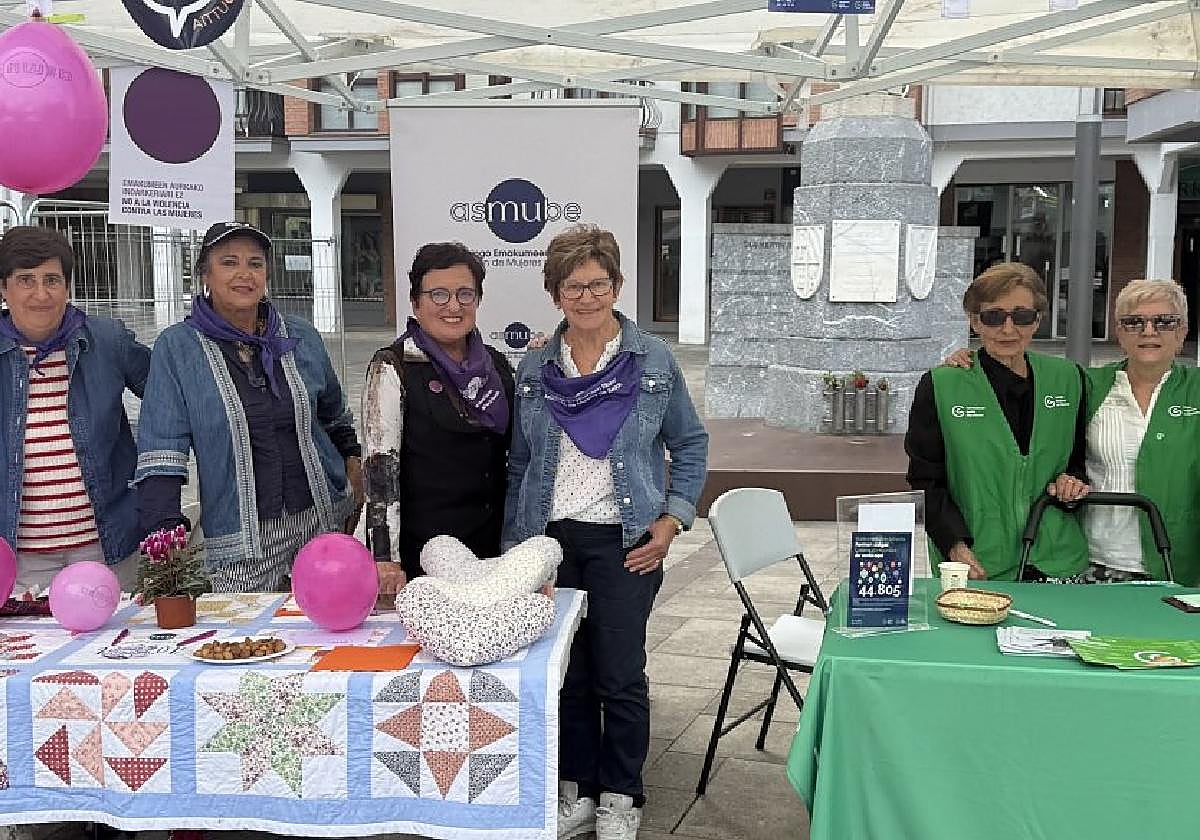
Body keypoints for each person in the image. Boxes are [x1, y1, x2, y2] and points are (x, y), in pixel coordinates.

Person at [503, 224, 708, 840]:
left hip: (627, 544)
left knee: (620, 676)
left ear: (617, 286)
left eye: (598, 284)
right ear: (555, 293)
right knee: (567, 675)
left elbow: (690, 444)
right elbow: (521, 463)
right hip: (553, 542)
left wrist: (672, 520)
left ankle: (623, 794)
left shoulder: (651, 361)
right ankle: (578, 789)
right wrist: (522, 551)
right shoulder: (537, 365)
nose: (586, 296)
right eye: (573, 286)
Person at [135, 221, 362, 592]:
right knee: (244, 639)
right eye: (229, 262)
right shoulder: (178, 349)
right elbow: (162, 450)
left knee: (326, 635)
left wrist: (354, 470)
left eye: (255, 263)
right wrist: (164, 542)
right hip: (241, 541)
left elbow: (334, 415)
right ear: (205, 274)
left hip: (322, 521)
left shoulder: (299, 336)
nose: (244, 274)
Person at [946, 279, 1200, 585]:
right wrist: (971, 362)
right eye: (1134, 322)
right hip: (1091, 561)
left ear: (1182, 331)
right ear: (1119, 332)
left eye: (1164, 321)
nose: (1148, 331)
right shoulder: (1087, 385)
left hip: (1178, 564)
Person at [905, 261, 1089, 582]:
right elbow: (926, 481)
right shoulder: (942, 386)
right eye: (993, 317)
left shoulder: (1069, 380)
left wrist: (1071, 482)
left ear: (1038, 320)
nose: (1008, 329)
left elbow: (1078, 461)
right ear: (974, 321)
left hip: (1056, 559)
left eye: (1021, 316)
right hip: (977, 561)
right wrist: (955, 545)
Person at [0, 226, 149, 597]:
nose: (41, 294)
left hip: (107, 548)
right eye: (25, 280)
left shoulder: (106, 340)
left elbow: (170, 396)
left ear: (67, 286)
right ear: (4, 289)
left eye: (52, 279)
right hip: (21, 561)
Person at [361, 242, 514, 591]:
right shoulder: (393, 366)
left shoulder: (497, 365)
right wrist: (384, 558)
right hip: (424, 555)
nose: (453, 306)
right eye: (439, 295)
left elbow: (514, 456)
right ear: (416, 302)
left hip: (491, 550)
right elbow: (380, 473)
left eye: (465, 294)